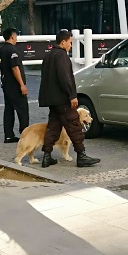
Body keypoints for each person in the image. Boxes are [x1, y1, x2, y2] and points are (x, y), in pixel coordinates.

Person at [38, 29, 100, 168]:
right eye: (70, 42)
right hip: (62, 99)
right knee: (74, 126)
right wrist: (72, 95)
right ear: (63, 42)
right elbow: (65, 77)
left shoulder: (49, 56)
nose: (70, 45)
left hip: (52, 99)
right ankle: (81, 156)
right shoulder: (61, 55)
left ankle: (46, 156)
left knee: (53, 127)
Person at [0, 28, 29, 144]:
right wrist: (22, 85)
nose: (16, 38)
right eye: (15, 36)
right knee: (23, 110)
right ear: (12, 36)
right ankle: (25, 135)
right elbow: (15, 68)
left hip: (6, 85)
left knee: (9, 110)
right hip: (15, 86)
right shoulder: (12, 50)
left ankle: (9, 135)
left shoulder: (0, 50)